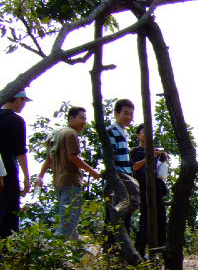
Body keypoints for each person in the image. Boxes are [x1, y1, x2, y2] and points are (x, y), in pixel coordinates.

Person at [35, 106, 100, 239]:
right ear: (71, 118)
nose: (84, 122)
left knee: (69, 219)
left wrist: (40, 176)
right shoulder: (71, 134)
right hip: (71, 182)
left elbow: (49, 159)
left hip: (58, 183)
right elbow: (73, 157)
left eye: (85, 119)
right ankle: (53, 248)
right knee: (69, 221)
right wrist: (92, 171)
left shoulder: (55, 133)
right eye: (81, 118)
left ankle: (77, 246)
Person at [102, 99, 140, 250]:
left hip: (125, 180)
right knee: (115, 218)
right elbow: (110, 160)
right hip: (118, 182)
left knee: (125, 219)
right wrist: (115, 181)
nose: (129, 117)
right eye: (125, 113)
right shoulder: (111, 132)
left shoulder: (123, 133)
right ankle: (111, 252)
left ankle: (120, 253)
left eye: (131, 114)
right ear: (116, 114)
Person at [130, 124, 168, 257]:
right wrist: (150, 157)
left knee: (161, 221)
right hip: (143, 189)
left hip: (157, 189)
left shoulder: (156, 151)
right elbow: (135, 167)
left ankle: (161, 252)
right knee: (145, 222)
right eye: (144, 132)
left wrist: (162, 156)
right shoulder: (135, 151)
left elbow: (161, 170)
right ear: (138, 135)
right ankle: (140, 252)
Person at [0, 89, 31, 238]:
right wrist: (26, 177)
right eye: (24, 100)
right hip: (8, 173)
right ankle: (7, 248)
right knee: (9, 214)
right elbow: (20, 152)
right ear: (17, 99)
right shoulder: (16, 120)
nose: (24, 104)